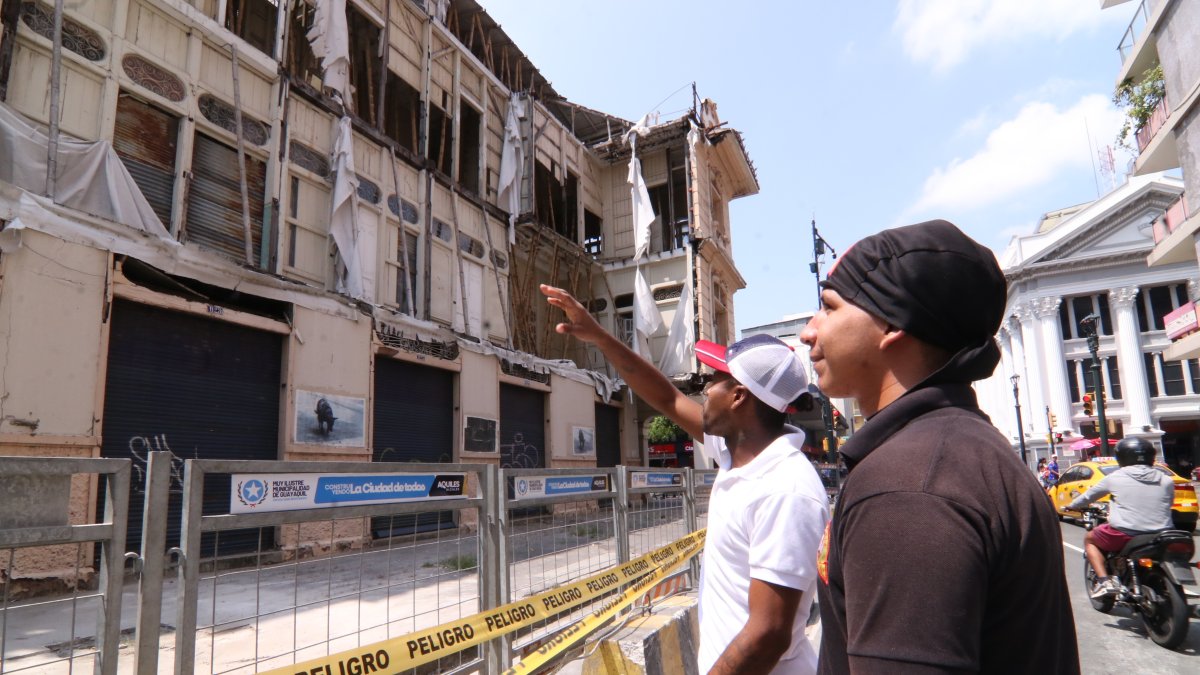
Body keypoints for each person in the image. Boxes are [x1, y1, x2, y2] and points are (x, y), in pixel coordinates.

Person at [797, 220, 1079, 674]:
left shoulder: (907, 487)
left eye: (828, 307)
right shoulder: (956, 449)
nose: (808, 332)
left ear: (891, 322)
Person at [542, 283, 829, 674]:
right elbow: (666, 398)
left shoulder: (785, 489)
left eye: (715, 379)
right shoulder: (737, 453)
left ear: (739, 396)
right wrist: (599, 336)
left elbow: (769, 634)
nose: (704, 388)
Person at [1064, 437, 1174, 597]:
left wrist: (1071, 505)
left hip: (1126, 534)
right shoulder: (1166, 479)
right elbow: (1168, 503)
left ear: (1122, 457)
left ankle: (1104, 582)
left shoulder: (1114, 477)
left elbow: (1087, 497)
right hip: (1162, 533)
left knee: (1090, 539)